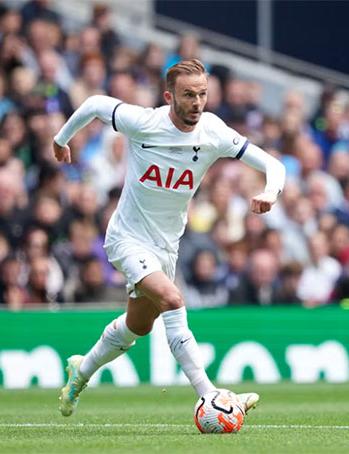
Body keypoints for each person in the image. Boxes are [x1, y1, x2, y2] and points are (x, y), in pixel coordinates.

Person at [52, 59, 285, 417]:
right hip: (127, 237)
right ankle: (213, 396)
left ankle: (80, 372)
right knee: (173, 300)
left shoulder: (213, 131)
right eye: (188, 94)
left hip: (166, 245)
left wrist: (271, 191)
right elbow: (95, 104)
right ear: (169, 96)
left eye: (202, 94)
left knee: (137, 326)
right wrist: (61, 139)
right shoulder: (146, 122)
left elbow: (274, 165)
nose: (197, 102)